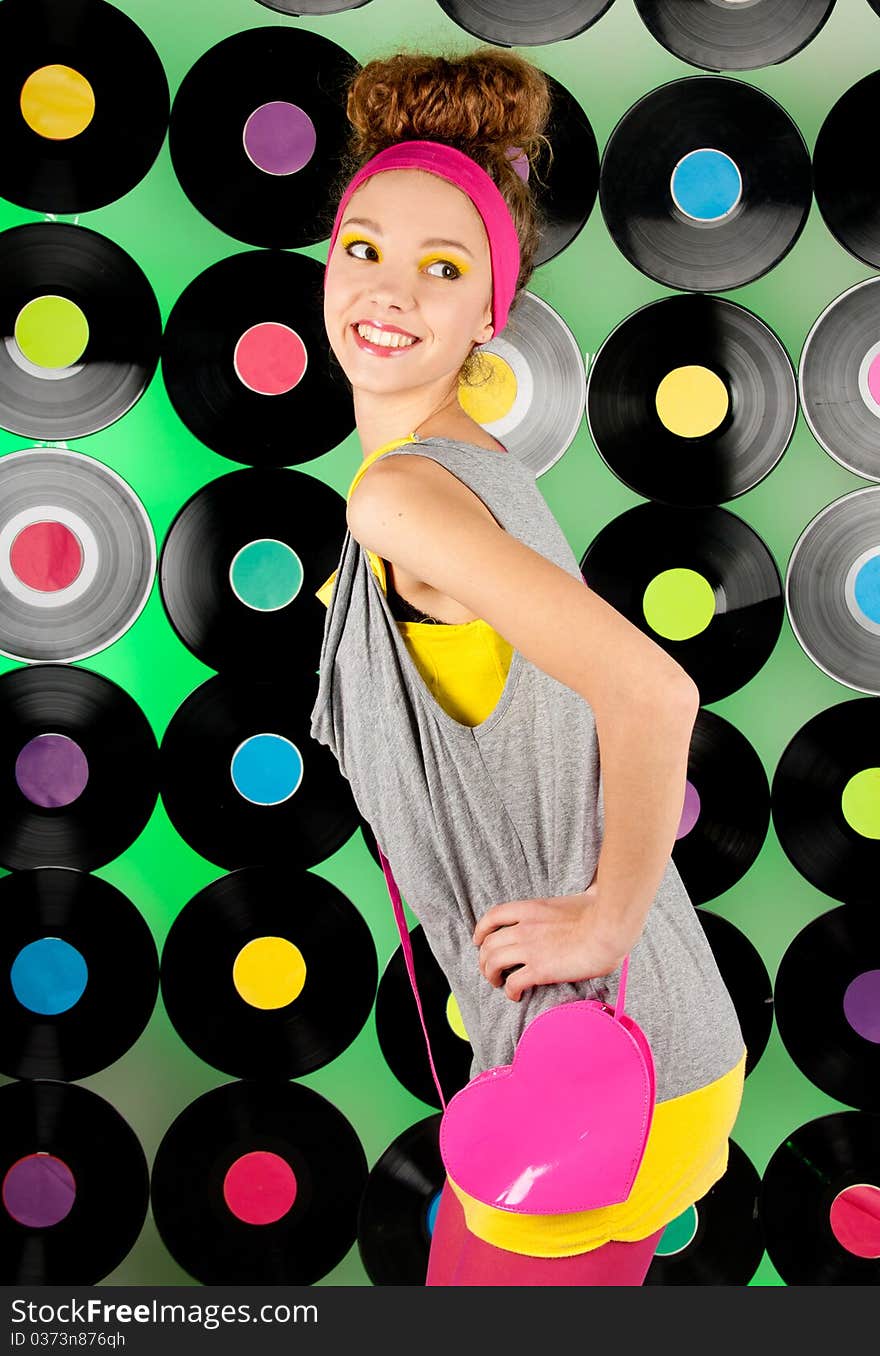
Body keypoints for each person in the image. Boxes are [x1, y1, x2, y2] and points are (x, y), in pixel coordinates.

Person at [310, 47, 747, 1287]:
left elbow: (655, 689)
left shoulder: (407, 500)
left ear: (488, 309)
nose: (388, 292)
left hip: (596, 1064)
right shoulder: (476, 461)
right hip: (644, 1055)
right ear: (326, 257)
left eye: (441, 269)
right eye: (363, 248)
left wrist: (603, 918)